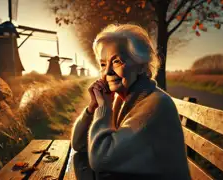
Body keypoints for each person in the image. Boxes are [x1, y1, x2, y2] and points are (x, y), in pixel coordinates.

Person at [70, 24, 191, 180]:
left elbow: (101, 159)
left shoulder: (155, 105)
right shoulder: (125, 99)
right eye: (103, 64)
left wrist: (104, 108)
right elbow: (79, 145)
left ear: (141, 66)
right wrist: (92, 108)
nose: (107, 72)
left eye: (117, 62)